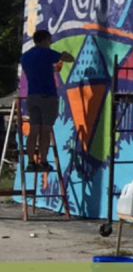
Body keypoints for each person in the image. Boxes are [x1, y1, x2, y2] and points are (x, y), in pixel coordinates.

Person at [19, 30, 74, 172]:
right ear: (45, 40)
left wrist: (52, 69)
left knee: (33, 130)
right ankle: (43, 161)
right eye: (49, 40)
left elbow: (38, 70)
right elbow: (69, 58)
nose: (50, 43)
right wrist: (64, 54)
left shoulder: (25, 56)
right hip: (47, 97)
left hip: (32, 96)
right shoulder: (46, 52)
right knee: (45, 130)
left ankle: (31, 162)